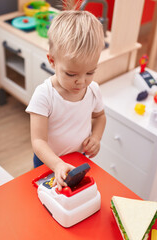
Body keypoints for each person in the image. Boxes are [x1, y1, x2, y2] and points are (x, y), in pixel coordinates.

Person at [25, 6, 106, 191]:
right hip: (48, 161)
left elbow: (100, 116)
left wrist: (96, 137)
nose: (81, 81)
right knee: (44, 201)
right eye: (71, 74)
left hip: (78, 159)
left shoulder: (92, 90)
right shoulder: (44, 94)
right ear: (52, 61)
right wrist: (57, 165)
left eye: (90, 72)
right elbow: (38, 141)